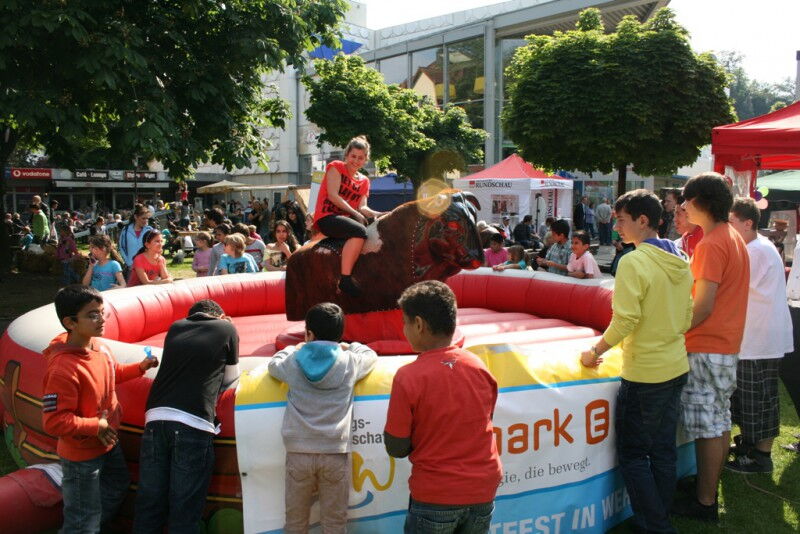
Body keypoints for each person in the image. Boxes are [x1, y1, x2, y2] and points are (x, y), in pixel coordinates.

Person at [580, 190, 692, 534]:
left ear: (643, 221)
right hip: (675, 365)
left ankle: (656, 525)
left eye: (622, 220)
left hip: (646, 373)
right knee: (662, 450)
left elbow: (625, 320)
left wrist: (594, 352)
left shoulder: (633, 261)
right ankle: (661, 517)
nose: (617, 227)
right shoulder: (681, 257)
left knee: (633, 454)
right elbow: (687, 315)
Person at [385, 281, 502, 533]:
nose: (403, 329)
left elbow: (396, 446)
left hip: (436, 493)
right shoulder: (479, 367)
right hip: (483, 489)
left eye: (405, 322)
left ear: (418, 324)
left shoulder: (408, 377)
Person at [42, 285, 158, 534]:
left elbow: (111, 373)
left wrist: (141, 367)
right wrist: (97, 426)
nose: (101, 319)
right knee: (82, 519)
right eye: (92, 315)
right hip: (82, 455)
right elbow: (54, 422)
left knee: (116, 485)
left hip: (108, 442)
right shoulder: (63, 369)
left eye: (102, 312)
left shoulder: (99, 347)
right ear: (70, 323)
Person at [673, 172, 749, 523]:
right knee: (719, 422)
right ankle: (708, 492)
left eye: (687, 199)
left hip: (705, 345)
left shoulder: (711, 243)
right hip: (725, 345)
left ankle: (704, 503)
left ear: (702, 201)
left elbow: (702, 305)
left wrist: (673, 331)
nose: (683, 205)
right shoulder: (730, 236)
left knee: (707, 426)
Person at [268, 303, 378, 533]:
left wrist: (292, 348)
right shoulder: (350, 362)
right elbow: (369, 354)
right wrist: (351, 346)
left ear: (309, 333)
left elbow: (273, 365)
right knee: (334, 522)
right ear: (340, 335)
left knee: (296, 522)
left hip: (298, 453)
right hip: (334, 453)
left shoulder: (293, 361)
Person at [133, 299, 240, 533]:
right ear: (220, 316)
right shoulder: (227, 328)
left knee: (150, 502)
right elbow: (232, 378)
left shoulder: (175, 327)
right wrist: (229, 328)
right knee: (185, 507)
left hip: (155, 417)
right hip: (193, 419)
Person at [725, 197, 793, 473]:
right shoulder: (755, 247)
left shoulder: (755, 250)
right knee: (750, 397)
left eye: (731, 223)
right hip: (756, 337)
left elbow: (732, 287)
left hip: (760, 338)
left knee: (760, 399)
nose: (728, 229)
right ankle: (750, 447)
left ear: (748, 223)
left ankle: (761, 456)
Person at [312, 136, 383, 297]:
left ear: (366, 160)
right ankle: (345, 279)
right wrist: (356, 213)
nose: (356, 161)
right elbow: (332, 195)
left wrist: (378, 214)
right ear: (346, 155)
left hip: (347, 220)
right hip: (327, 217)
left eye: (360, 158)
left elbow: (363, 207)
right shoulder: (336, 167)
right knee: (360, 231)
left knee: (374, 230)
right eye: (353, 156)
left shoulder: (364, 181)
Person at [119, 204, 154, 270]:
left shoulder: (150, 230)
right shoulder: (125, 231)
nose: (146, 221)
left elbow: (154, 248)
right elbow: (121, 248)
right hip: (131, 267)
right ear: (136, 217)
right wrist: (128, 262)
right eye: (143, 218)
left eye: (147, 218)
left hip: (147, 266)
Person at [673, 191, 703, 258]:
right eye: (674, 214)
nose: (674, 219)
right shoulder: (685, 237)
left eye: (678, 214)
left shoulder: (705, 236)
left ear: (689, 211)